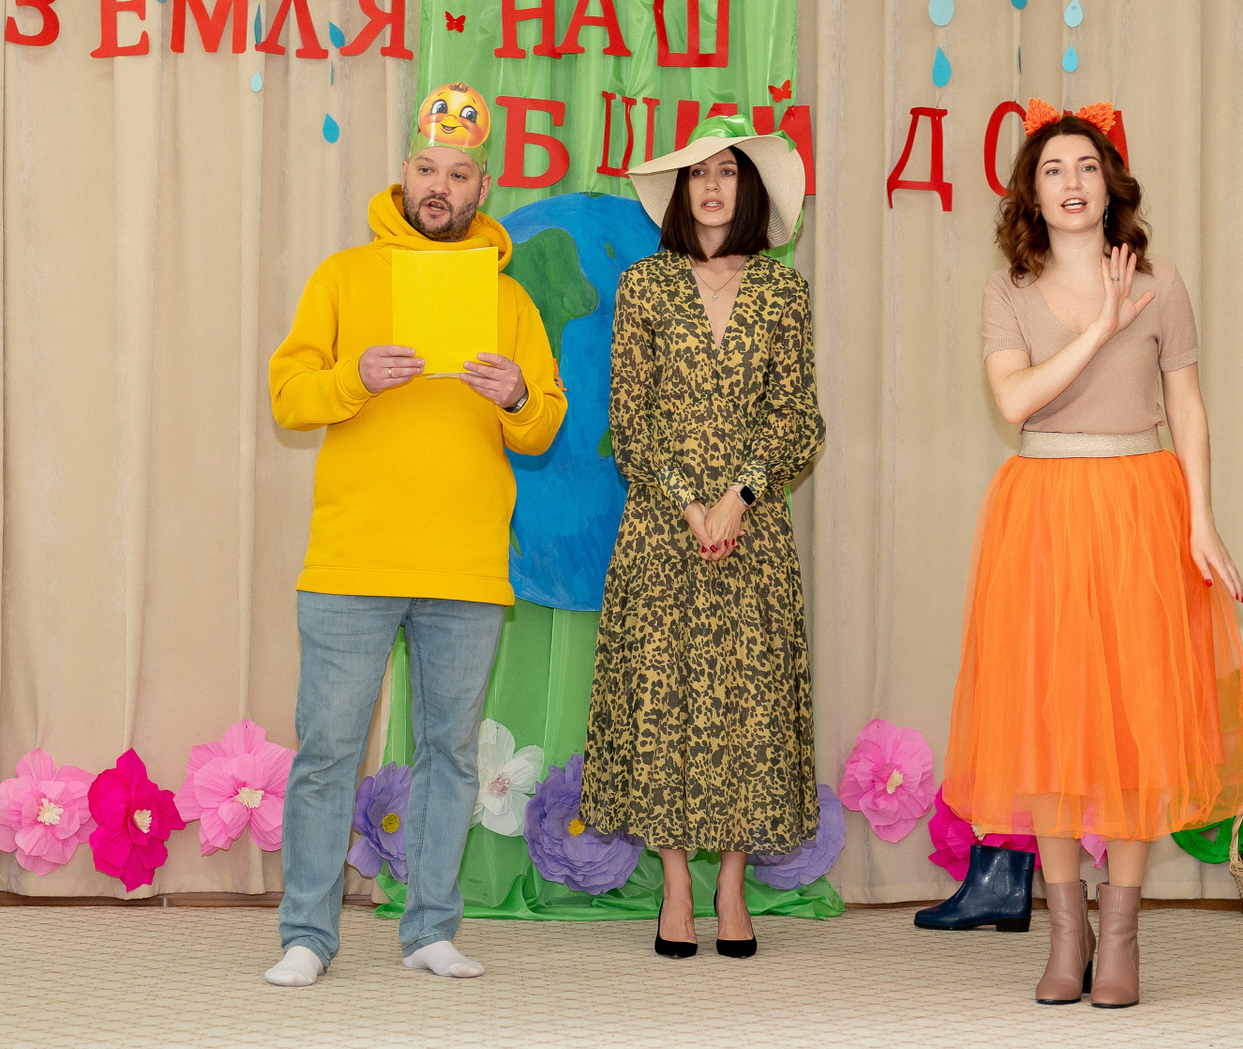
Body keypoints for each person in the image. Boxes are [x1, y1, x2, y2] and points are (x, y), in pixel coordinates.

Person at [939, 100, 1243, 1008]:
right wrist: (1100, 325)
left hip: (1140, 507)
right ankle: (1066, 932)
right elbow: (1016, 402)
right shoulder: (1006, 291)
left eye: (1086, 166)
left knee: (1134, 722)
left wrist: (1202, 520)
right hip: (1043, 509)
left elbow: (1187, 406)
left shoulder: (1163, 284)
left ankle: (1120, 934)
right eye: (1052, 170)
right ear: (1031, 196)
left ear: (1110, 184)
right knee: (1046, 723)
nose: (1072, 182)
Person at [263, 82, 566, 987]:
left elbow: (544, 425)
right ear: (404, 173)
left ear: (483, 187)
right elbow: (289, 396)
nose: (441, 186)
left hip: (465, 566)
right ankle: (306, 936)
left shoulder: (510, 300)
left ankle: (430, 928)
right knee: (327, 750)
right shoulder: (344, 276)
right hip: (353, 559)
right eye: (428, 169)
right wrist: (353, 377)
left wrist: (517, 395)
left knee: (449, 754)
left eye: (459, 174)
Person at [579, 116, 824, 960]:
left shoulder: (783, 291)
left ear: (748, 188)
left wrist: (739, 497)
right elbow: (630, 416)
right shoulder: (644, 286)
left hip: (753, 529)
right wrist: (691, 504)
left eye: (727, 171)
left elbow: (799, 417)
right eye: (697, 174)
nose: (713, 186)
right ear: (680, 193)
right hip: (661, 525)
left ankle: (732, 885)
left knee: (749, 706)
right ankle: (677, 886)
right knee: (663, 703)